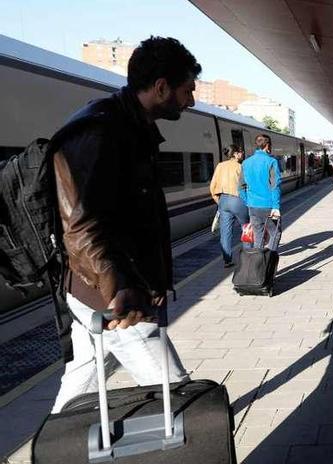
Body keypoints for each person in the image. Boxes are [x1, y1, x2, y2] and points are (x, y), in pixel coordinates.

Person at [49, 36, 194, 413]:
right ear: (161, 88)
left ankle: (50, 458)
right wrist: (121, 290)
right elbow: (82, 226)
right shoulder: (101, 132)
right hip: (110, 294)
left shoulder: (128, 127)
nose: (191, 100)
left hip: (94, 287)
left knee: (82, 381)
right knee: (178, 395)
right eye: (186, 90)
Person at [240, 134, 281, 250]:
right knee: (275, 233)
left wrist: (248, 201)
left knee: (258, 236)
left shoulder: (245, 163)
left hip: (252, 206)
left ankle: (259, 263)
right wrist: (276, 206)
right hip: (268, 206)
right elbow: (275, 185)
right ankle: (269, 263)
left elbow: (240, 187)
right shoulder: (271, 161)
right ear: (267, 145)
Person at [210, 144, 248, 267]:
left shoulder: (220, 166)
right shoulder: (241, 167)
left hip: (223, 200)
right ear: (235, 154)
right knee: (246, 228)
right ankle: (249, 257)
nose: (242, 153)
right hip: (238, 200)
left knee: (225, 233)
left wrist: (219, 201)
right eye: (241, 151)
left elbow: (212, 186)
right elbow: (246, 186)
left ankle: (227, 260)